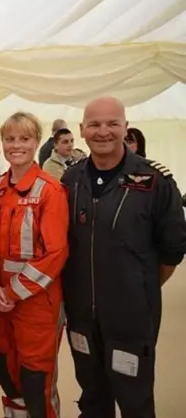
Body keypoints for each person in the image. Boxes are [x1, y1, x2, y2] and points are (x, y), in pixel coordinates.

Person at [61, 96, 186, 418]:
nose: (103, 131)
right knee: (92, 397)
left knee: (135, 401)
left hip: (131, 318)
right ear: (82, 130)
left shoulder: (155, 182)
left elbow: (171, 252)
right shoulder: (69, 181)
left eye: (112, 123)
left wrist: (137, 288)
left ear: (125, 128)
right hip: (80, 317)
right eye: (94, 124)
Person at [0, 112, 69, 418]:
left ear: (38, 142)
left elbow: (55, 253)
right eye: (10, 139)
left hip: (37, 304)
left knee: (36, 382)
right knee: (7, 374)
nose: (16, 145)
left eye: (24, 139)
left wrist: (11, 292)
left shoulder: (50, 190)